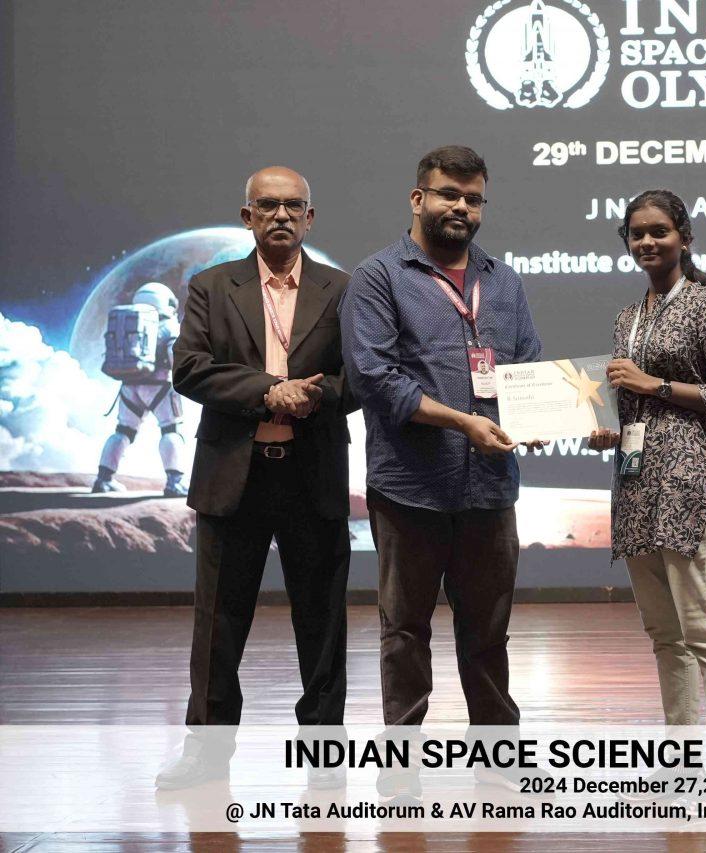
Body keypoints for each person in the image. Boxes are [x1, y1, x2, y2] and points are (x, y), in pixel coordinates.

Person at [340, 146, 544, 798]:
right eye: (448, 194)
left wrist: (542, 416)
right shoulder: (378, 277)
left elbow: (525, 369)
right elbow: (375, 379)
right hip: (410, 490)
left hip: (490, 489)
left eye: (473, 198)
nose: (461, 207)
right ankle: (401, 768)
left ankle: (500, 758)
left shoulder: (503, 281)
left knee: (488, 634)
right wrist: (464, 423)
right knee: (405, 632)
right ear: (417, 198)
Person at [158, 167, 354, 790]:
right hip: (232, 475)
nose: (281, 216)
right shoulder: (212, 286)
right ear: (248, 217)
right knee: (218, 621)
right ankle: (207, 754)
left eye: (293, 206)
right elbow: (189, 369)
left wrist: (315, 395)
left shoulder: (342, 288)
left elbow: (361, 377)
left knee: (322, 620)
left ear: (310, 218)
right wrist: (271, 390)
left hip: (312, 473)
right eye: (267, 206)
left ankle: (324, 755)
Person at [588, 189, 706, 739]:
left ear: (684, 237)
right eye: (637, 233)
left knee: (705, 631)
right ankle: (681, 753)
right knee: (664, 635)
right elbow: (629, 403)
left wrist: (653, 384)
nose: (647, 241)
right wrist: (608, 430)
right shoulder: (627, 317)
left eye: (659, 231)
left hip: (686, 484)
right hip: (635, 486)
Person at [93, 281, 188, 497]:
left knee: (123, 431)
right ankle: (174, 482)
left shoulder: (129, 323)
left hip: (129, 385)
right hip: (159, 387)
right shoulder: (169, 327)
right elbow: (176, 359)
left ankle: (103, 479)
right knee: (170, 430)